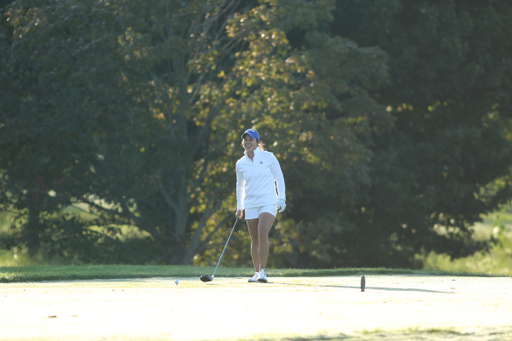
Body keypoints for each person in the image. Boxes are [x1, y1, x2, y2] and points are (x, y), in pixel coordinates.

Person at [236, 128, 286, 283]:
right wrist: (240, 206)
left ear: (257, 142)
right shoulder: (240, 163)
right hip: (251, 203)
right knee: (254, 238)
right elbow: (240, 186)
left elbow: (279, 178)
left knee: (262, 232)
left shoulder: (268, 157)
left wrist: (282, 198)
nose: (248, 142)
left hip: (268, 201)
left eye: (251, 139)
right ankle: (256, 272)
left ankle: (263, 272)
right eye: (245, 140)